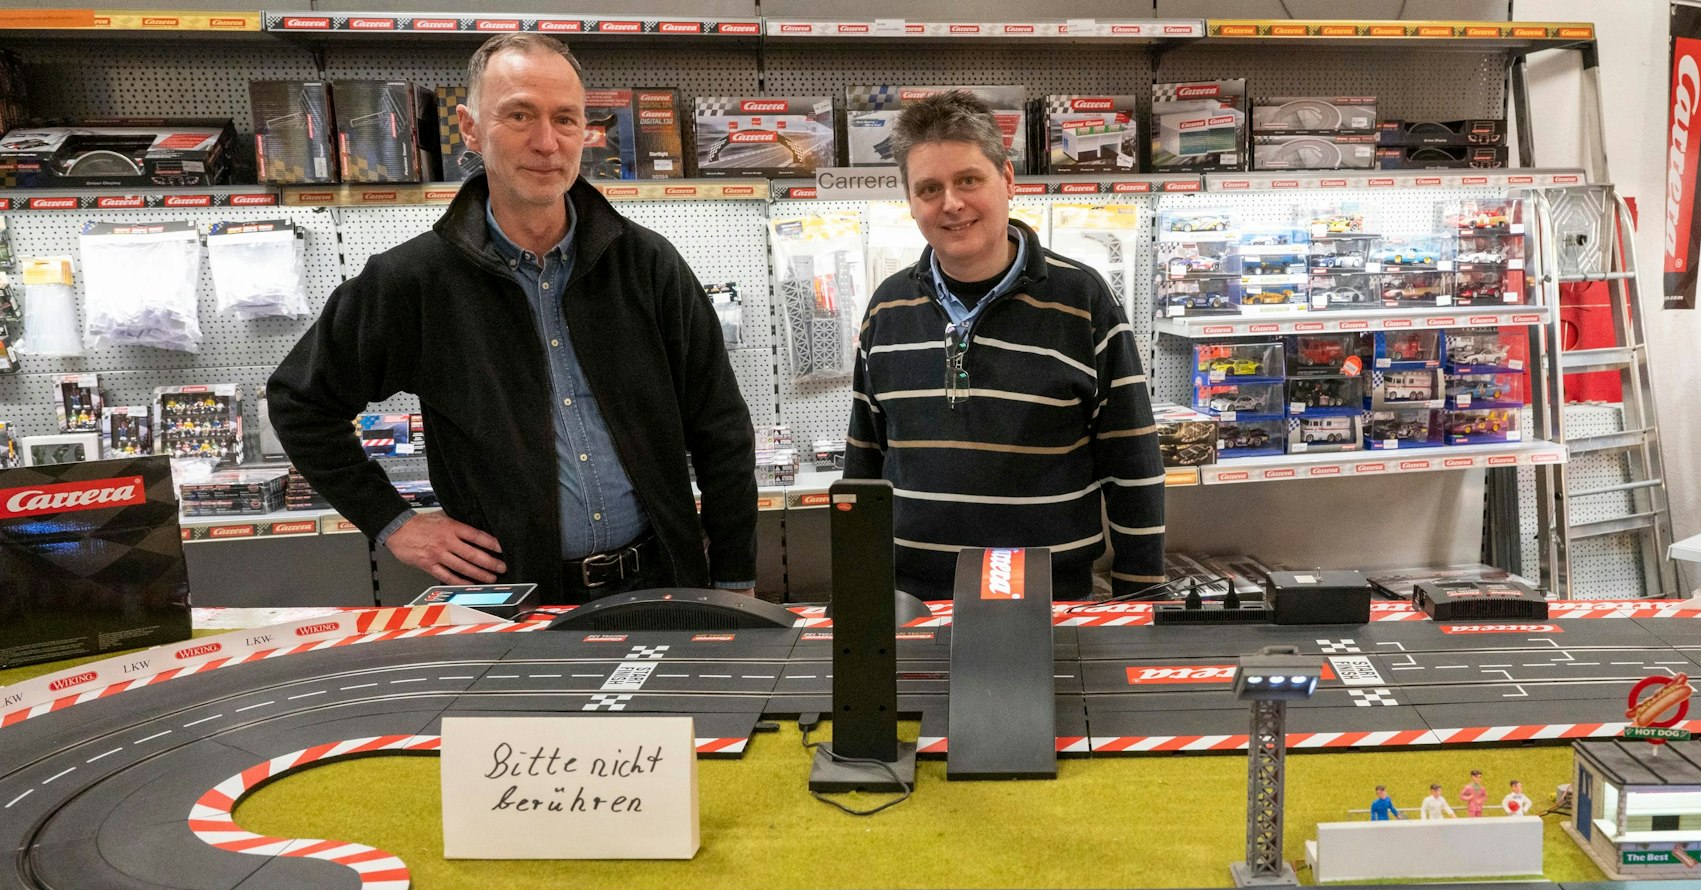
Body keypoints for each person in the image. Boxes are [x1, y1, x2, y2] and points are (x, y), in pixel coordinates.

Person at [268, 33, 757, 606]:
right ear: (470, 129)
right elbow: (300, 402)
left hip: (662, 584)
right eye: (520, 114)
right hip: (510, 599)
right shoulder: (413, 281)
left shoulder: (648, 266)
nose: (546, 142)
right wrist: (394, 521)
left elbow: (721, 428)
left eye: (565, 119)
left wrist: (734, 580)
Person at [844, 90, 1166, 600]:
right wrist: (857, 592)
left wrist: (1141, 595)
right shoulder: (887, 308)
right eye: (929, 188)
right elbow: (864, 463)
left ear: (1008, 179)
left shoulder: (1082, 300)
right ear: (909, 202)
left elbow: (1132, 462)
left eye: (968, 180)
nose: (951, 203)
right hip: (914, 601)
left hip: (1052, 601)